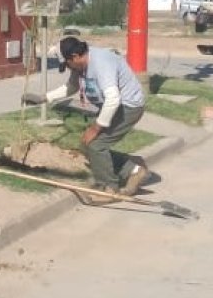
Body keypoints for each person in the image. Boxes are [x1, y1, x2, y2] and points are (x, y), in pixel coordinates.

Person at [25, 36, 150, 197]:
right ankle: (134, 170)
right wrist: (44, 98)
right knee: (87, 144)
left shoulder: (101, 64)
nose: (69, 69)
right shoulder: (79, 66)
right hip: (112, 107)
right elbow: (72, 86)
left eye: (68, 64)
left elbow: (113, 99)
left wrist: (96, 127)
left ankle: (109, 188)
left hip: (128, 106)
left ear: (76, 57)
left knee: (96, 144)